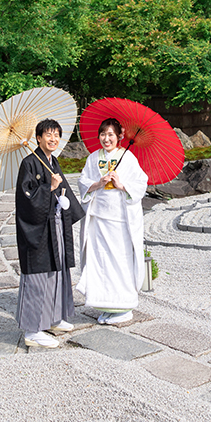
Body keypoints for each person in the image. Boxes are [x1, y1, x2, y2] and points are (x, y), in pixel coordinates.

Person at [14, 118, 85, 349]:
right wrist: (49, 188)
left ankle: (52, 319)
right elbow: (26, 201)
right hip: (37, 228)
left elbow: (63, 192)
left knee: (57, 273)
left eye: (56, 135)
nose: (53, 139)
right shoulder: (29, 163)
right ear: (38, 138)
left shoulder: (52, 161)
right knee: (38, 276)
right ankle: (32, 330)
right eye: (48, 135)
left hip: (55, 226)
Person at [76, 117, 149, 325]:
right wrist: (98, 183)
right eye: (103, 134)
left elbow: (141, 183)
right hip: (98, 219)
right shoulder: (92, 158)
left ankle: (124, 307)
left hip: (119, 220)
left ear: (120, 136)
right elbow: (82, 182)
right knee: (99, 260)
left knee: (119, 260)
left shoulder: (128, 158)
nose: (106, 139)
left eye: (110, 135)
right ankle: (105, 305)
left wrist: (121, 184)